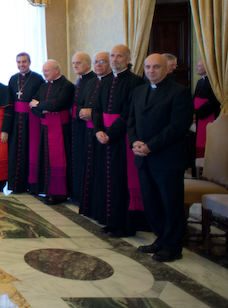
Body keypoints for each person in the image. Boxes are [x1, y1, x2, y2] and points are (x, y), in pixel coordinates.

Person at [128, 54, 192, 262]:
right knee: (152, 202)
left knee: (170, 203)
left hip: (167, 158)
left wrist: (150, 146)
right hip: (143, 157)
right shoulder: (139, 91)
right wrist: (135, 142)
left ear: (166, 69)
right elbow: (132, 120)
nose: (151, 71)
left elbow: (177, 127)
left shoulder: (179, 92)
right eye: (147, 67)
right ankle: (162, 238)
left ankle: (173, 246)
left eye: (156, 67)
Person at [92, 45, 145, 237]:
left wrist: (110, 133)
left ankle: (123, 224)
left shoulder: (136, 81)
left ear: (128, 59)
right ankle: (110, 220)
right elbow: (97, 108)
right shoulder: (105, 81)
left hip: (122, 138)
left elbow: (130, 112)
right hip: (105, 136)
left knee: (120, 180)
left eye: (119, 56)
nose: (114, 59)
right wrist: (98, 130)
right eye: (112, 55)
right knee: (106, 179)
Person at [29, 60, 74, 204]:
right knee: (46, 160)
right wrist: (43, 110)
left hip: (61, 129)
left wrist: (40, 105)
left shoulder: (67, 85)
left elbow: (59, 103)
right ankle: (47, 190)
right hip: (46, 126)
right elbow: (32, 104)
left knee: (59, 160)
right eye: (43, 71)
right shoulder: (44, 86)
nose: (44, 74)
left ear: (56, 70)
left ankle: (59, 194)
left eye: (47, 71)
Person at [79, 52, 111, 218]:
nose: (98, 65)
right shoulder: (93, 82)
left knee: (103, 174)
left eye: (102, 62)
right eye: (96, 62)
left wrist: (91, 113)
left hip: (105, 134)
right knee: (92, 171)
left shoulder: (112, 81)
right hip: (90, 132)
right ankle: (93, 210)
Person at [8, 52, 44, 193]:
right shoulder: (13, 79)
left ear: (29, 62)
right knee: (15, 151)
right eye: (19, 62)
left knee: (30, 150)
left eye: (24, 62)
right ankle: (16, 185)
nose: (21, 65)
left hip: (31, 119)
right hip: (16, 119)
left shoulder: (37, 78)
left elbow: (40, 97)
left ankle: (32, 185)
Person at [69, 53, 96, 205]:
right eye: (73, 63)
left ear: (87, 64)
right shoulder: (80, 81)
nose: (75, 66)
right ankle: (77, 195)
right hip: (76, 126)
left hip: (86, 128)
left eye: (78, 63)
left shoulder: (93, 80)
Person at [193, 60, 220, 159]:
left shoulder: (213, 82)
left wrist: (198, 113)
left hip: (207, 115)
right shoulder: (200, 81)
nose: (196, 68)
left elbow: (214, 101)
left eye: (199, 66)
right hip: (198, 116)